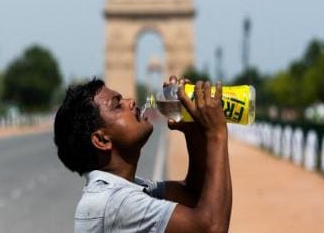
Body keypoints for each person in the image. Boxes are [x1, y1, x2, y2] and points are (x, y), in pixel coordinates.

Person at [54, 76, 232, 233]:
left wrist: (193, 132)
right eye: (117, 105)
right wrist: (216, 134)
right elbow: (212, 228)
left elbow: (192, 195)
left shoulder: (123, 190)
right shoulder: (114, 203)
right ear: (102, 140)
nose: (131, 101)